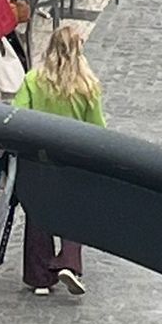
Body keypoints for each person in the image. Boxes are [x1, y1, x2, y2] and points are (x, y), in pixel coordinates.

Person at [12, 26, 106, 296]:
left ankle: (40, 277)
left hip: (38, 159)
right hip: (73, 160)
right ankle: (69, 261)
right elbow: (97, 128)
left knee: (37, 213)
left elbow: (17, 115)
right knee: (74, 212)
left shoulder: (33, 80)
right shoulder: (88, 88)